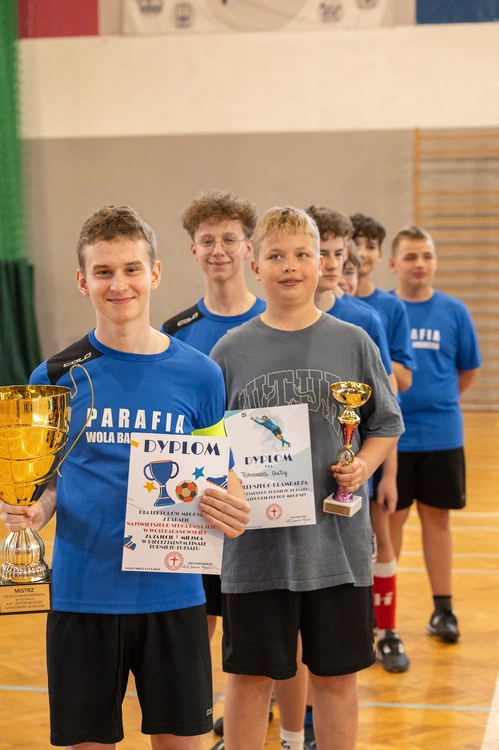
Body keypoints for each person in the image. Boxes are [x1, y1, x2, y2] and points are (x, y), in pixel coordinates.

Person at [0, 205, 250, 750]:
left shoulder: (201, 374)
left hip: (174, 595)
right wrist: (33, 510)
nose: (119, 285)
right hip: (82, 596)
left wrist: (234, 507)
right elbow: (48, 483)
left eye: (132, 269)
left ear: (154, 273)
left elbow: (220, 469)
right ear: (82, 280)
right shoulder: (55, 377)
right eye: (104, 272)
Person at [210, 206, 404, 750]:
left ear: (323, 263)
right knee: (249, 679)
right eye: (276, 256)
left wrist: (362, 465)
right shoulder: (229, 350)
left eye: (302, 255)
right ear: (255, 265)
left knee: (337, 679)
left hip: (336, 548)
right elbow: (209, 442)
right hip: (254, 554)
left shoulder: (354, 341)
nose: (290, 266)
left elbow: (386, 424)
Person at [160, 190, 267, 748]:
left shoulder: (273, 320)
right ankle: (194, 718)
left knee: (257, 631)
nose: (219, 249)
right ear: (193, 250)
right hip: (197, 506)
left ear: (249, 248)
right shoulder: (174, 330)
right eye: (208, 240)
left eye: (230, 239)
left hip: (265, 502)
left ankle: (259, 720)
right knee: (194, 624)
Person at [389, 225, 481, 643]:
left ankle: (443, 609)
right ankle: (382, 616)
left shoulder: (454, 311)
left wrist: (439, 401)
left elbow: (468, 370)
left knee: (438, 519)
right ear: (394, 263)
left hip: (442, 435)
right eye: (411, 256)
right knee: (389, 523)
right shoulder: (384, 311)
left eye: (426, 256)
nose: (420, 264)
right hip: (392, 438)